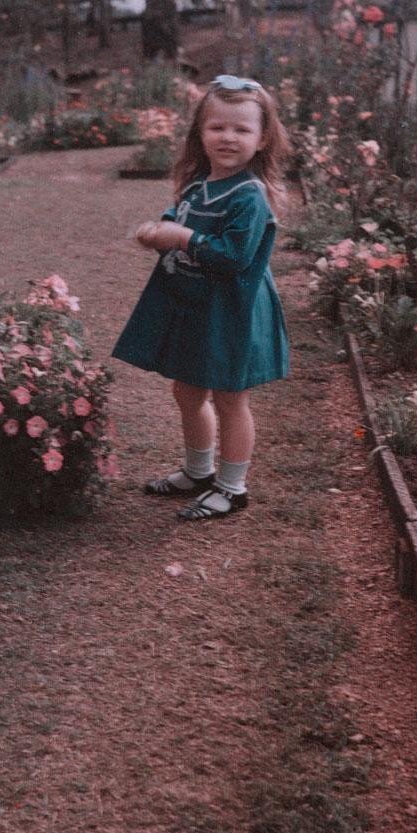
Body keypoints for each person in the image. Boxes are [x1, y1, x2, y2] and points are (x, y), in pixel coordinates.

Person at [111, 74, 291, 521]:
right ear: (200, 133)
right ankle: (198, 472)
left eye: (241, 129)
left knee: (230, 397)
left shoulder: (250, 196)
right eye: (218, 127)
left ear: (262, 138)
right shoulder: (199, 185)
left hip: (234, 311)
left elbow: (233, 257)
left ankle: (232, 488)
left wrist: (183, 237)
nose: (228, 137)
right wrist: (158, 230)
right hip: (198, 308)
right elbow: (180, 215)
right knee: (187, 390)